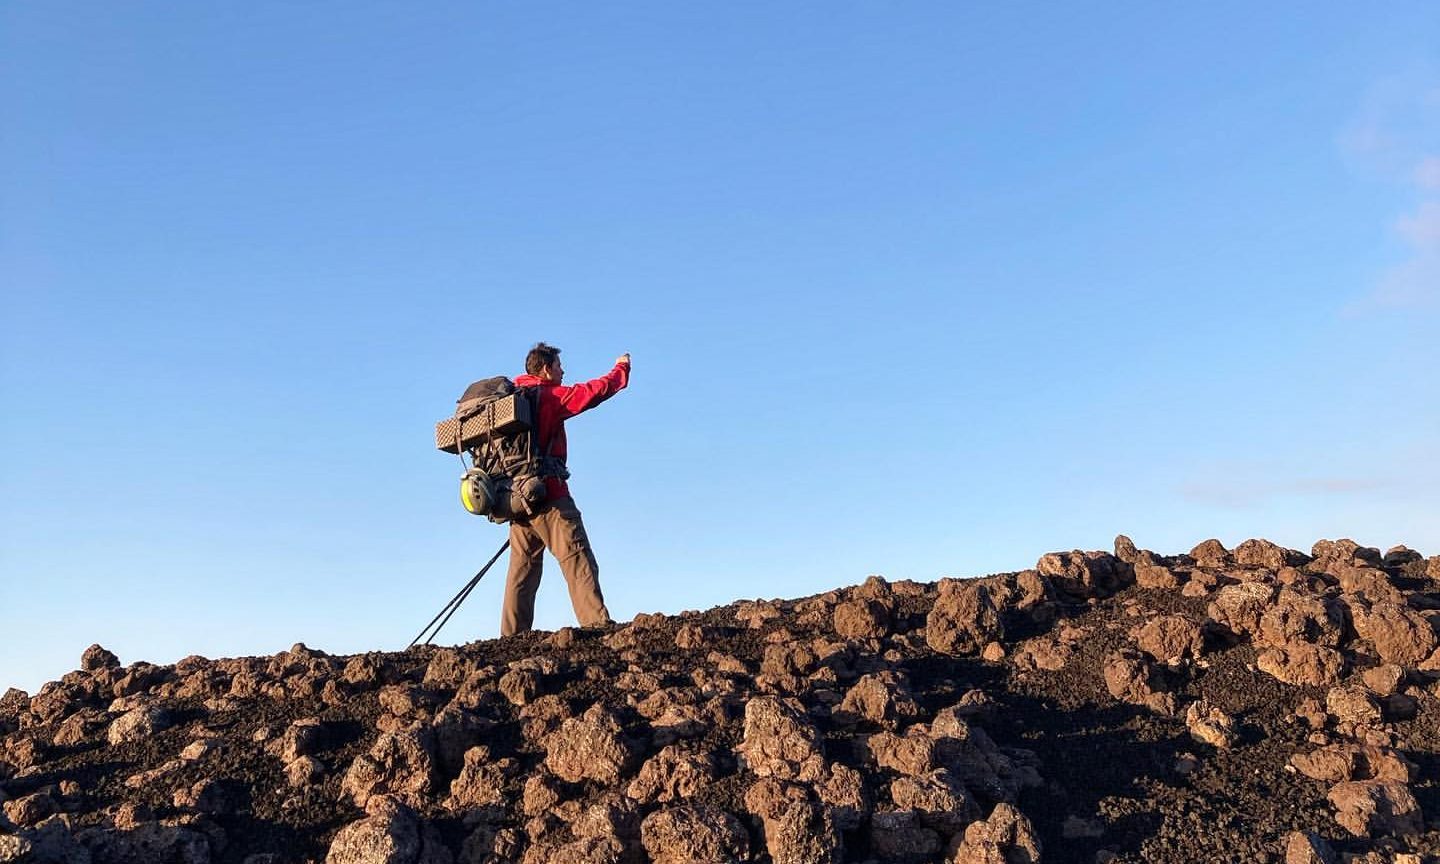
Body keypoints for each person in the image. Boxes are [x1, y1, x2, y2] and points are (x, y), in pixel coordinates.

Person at [500, 343, 630, 636]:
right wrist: (621, 368)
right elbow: (591, 393)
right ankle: (598, 629)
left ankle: (511, 639)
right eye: (559, 366)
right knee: (577, 558)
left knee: (522, 573)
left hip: (518, 500)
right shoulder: (547, 396)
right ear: (546, 369)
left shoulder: (514, 399)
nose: (563, 371)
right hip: (551, 496)